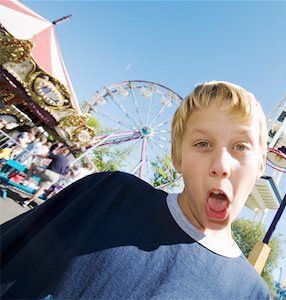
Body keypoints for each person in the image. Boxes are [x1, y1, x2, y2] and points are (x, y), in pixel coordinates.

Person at [0, 81, 270, 299]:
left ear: (261, 164)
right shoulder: (108, 197)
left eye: (241, 146)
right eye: (202, 144)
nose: (221, 165)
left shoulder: (251, 293)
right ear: (177, 158)